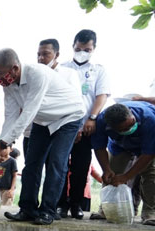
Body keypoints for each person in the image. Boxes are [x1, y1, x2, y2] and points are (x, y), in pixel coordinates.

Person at [0, 48, 85, 225]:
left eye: (0, 73)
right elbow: (11, 115)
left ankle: (48, 211)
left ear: (15, 68)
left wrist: (2, 143)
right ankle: (27, 208)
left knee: (56, 161)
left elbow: (28, 112)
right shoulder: (8, 85)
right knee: (32, 162)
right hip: (43, 119)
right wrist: (4, 143)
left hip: (68, 117)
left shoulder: (37, 74)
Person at [58, 29, 110, 219]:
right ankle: (60, 204)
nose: (82, 52)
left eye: (87, 49)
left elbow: (101, 95)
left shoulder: (99, 70)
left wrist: (92, 118)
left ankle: (76, 204)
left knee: (81, 168)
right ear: (73, 46)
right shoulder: (61, 68)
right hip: (64, 126)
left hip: (88, 128)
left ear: (93, 49)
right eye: (79, 48)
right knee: (60, 166)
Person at [91, 102, 155, 225]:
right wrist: (106, 169)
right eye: (123, 129)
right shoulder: (102, 122)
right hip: (119, 145)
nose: (129, 130)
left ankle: (150, 213)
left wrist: (127, 176)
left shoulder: (150, 120)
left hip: (147, 146)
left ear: (131, 116)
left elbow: (148, 154)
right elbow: (99, 147)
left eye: (131, 124)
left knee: (150, 174)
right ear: (112, 127)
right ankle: (106, 210)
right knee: (111, 175)